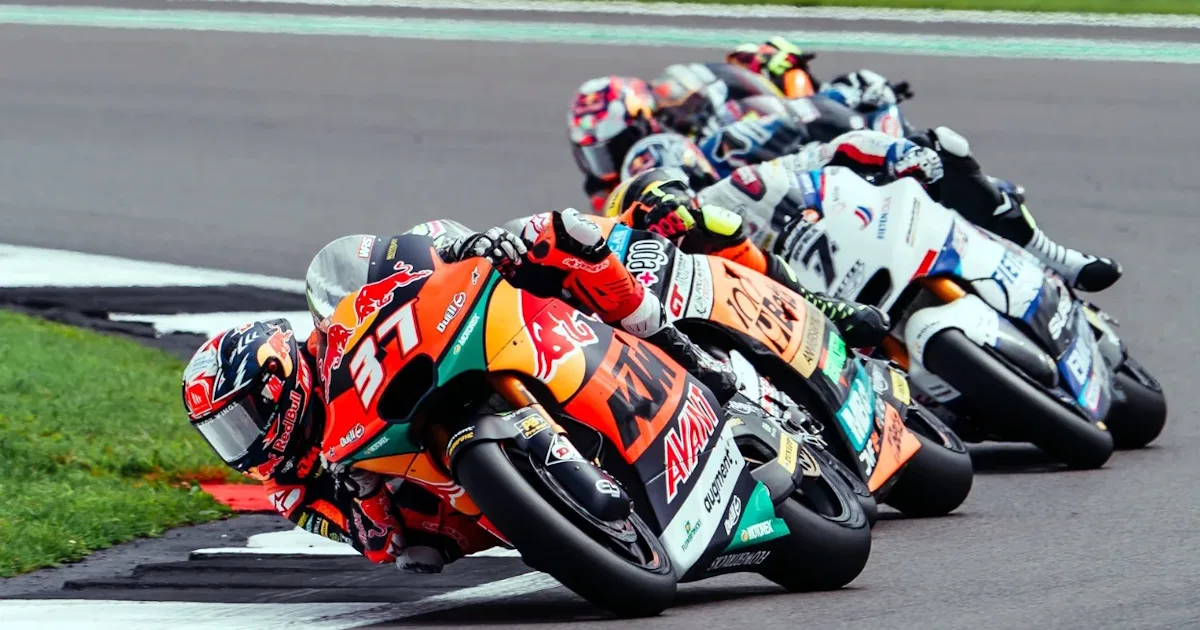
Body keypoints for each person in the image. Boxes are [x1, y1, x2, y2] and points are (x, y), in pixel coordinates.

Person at [615, 127, 1122, 293]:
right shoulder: (681, 275)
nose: (670, 211)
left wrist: (900, 154)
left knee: (949, 152)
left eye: (670, 190)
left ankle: (1059, 258)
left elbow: (837, 147)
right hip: (814, 296)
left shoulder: (754, 178)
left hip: (866, 228)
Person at [303, 214, 740, 405]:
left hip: (510, 303)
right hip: (454, 360)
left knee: (562, 232)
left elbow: (447, 235)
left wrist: (472, 247)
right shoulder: (358, 359)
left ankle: (681, 350)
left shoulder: (409, 249)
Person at [181, 318, 496, 575]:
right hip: (447, 499)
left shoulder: (326, 341)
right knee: (415, 555)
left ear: (273, 380)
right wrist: (366, 490)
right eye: (223, 432)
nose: (239, 439)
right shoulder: (288, 491)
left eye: (241, 420)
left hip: (430, 379)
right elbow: (378, 544)